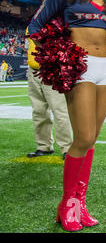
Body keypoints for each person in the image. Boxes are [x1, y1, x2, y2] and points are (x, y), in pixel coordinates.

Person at [28, 0, 106, 231]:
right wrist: (56, 56)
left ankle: (80, 204)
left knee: (92, 138)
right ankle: (66, 203)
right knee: (81, 137)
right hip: (79, 67)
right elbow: (36, 24)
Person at [25, 32, 73, 160]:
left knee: (59, 111)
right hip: (33, 70)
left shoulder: (51, 20)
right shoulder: (32, 24)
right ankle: (44, 146)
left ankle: (67, 148)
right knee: (38, 111)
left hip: (51, 70)